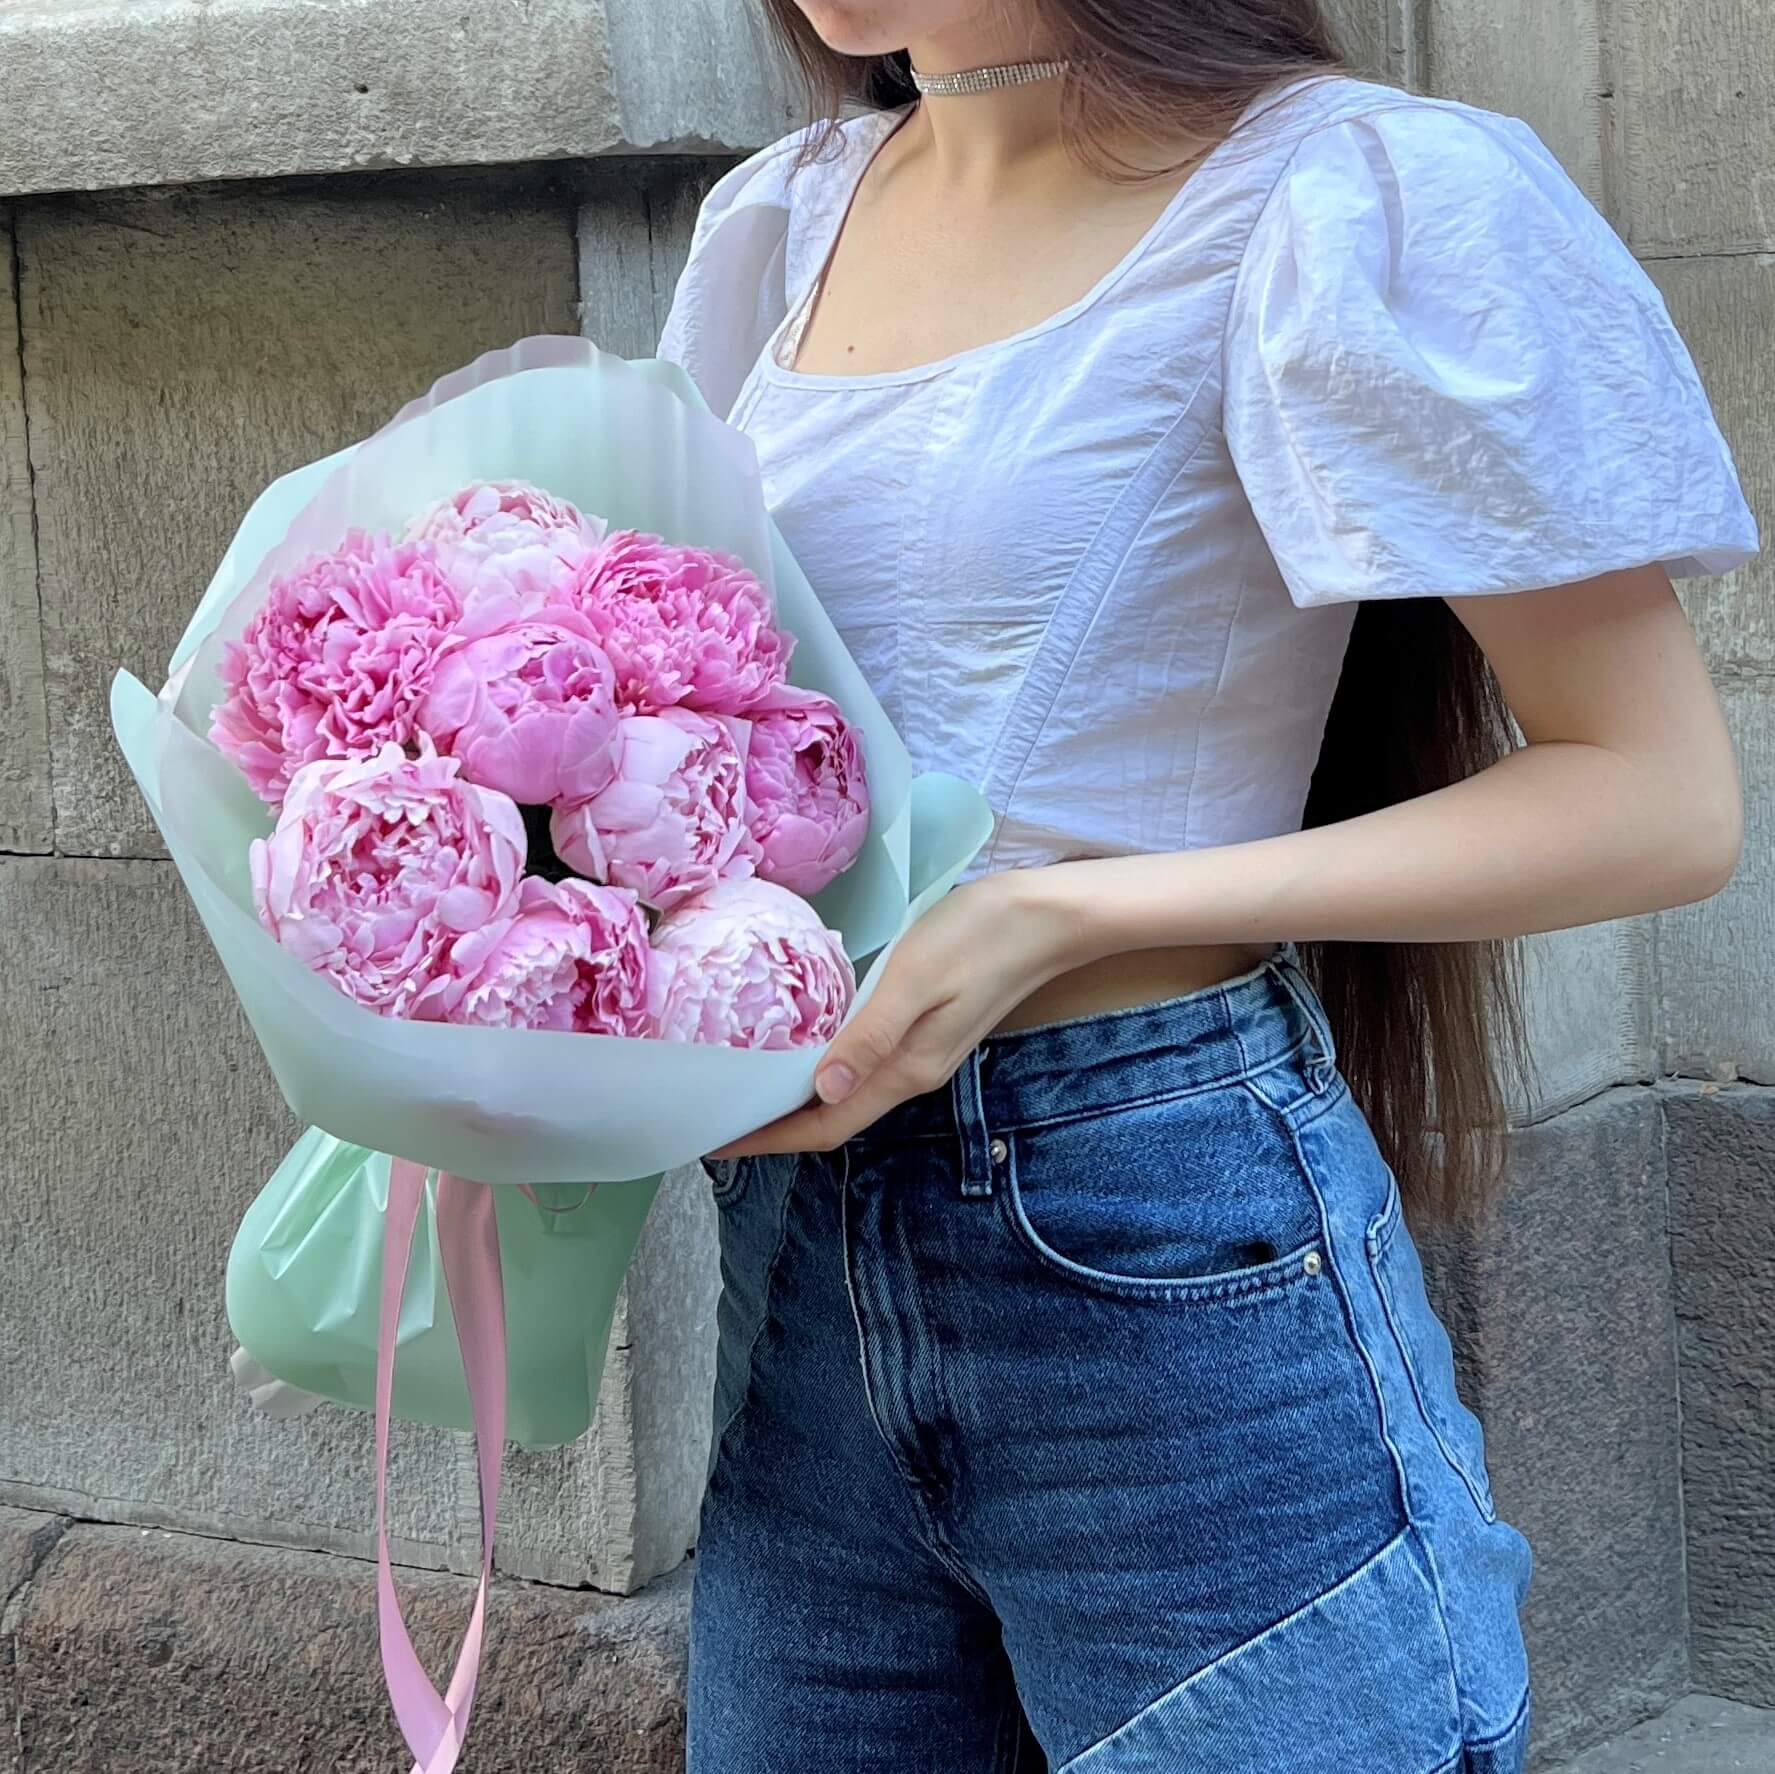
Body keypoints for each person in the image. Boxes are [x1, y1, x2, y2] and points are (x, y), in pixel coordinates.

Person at [656, 4, 1760, 1769]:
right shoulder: (778, 222)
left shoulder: (1345, 188)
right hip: (795, 1263)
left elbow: (1657, 796)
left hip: (1150, 1227)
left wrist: (1074, 908)